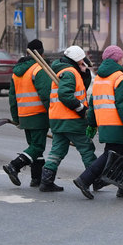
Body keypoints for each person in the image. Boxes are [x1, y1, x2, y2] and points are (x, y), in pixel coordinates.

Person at [73, 45, 123, 199]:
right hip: (118, 125)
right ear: (118, 60)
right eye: (122, 58)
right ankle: (85, 179)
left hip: (105, 124)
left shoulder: (99, 80)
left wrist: (92, 123)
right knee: (111, 156)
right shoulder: (120, 79)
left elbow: (94, 103)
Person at [40, 45, 96, 193]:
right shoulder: (70, 73)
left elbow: (78, 88)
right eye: (82, 61)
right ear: (78, 60)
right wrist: (81, 109)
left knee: (57, 150)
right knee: (87, 148)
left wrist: (84, 73)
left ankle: (46, 180)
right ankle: (95, 178)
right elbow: (65, 95)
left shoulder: (62, 71)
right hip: (71, 119)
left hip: (57, 118)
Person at [2, 39, 52, 187]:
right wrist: (53, 114)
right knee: (37, 147)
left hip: (24, 115)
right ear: (41, 53)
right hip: (38, 115)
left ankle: (36, 179)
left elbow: (12, 98)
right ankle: (14, 166)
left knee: (34, 148)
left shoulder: (17, 72)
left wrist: (16, 118)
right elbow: (46, 94)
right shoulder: (38, 69)